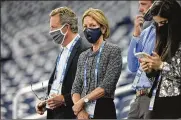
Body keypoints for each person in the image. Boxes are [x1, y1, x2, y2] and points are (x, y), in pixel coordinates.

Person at [35, 7, 90, 119]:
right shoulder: (63, 51)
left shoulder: (85, 49)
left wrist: (64, 99)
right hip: (57, 114)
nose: (50, 32)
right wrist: (46, 102)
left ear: (66, 28)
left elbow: (92, 87)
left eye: (53, 28)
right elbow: (60, 85)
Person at [71, 8, 122, 119]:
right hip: (83, 112)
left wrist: (82, 101)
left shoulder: (113, 51)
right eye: (85, 26)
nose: (88, 30)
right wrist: (79, 110)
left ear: (103, 28)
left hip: (104, 109)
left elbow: (107, 86)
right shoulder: (83, 56)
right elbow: (76, 88)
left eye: (93, 26)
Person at [140, 0, 181, 119]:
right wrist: (150, 70)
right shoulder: (163, 40)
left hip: (175, 106)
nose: (160, 26)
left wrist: (161, 66)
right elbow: (159, 77)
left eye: (163, 22)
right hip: (157, 102)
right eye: (157, 23)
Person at [127, 0, 156, 119]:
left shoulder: (167, 31)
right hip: (138, 97)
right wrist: (136, 35)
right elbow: (132, 66)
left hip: (152, 96)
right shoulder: (145, 33)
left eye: (143, 4)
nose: (140, 9)